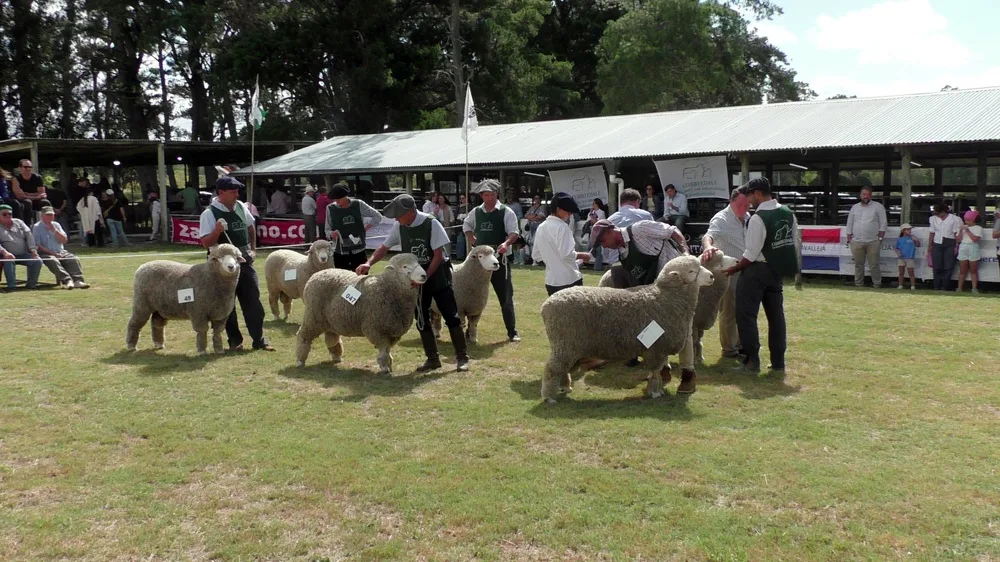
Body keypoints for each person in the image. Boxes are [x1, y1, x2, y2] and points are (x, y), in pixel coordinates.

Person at [357, 194, 469, 372]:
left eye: (398, 215)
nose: (396, 219)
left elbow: (438, 255)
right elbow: (384, 247)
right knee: (422, 318)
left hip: (438, 274)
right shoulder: (399, 225)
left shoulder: (431, 223)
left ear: (410, 212)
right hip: (415, 279)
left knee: (451, 316)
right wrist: (369, 263)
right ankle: (432, 359)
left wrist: (425, 277)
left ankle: (462, 358)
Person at [724, 178, 802, 374]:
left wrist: (734, 268)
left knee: (746, 315)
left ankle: (752, 361)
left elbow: (751, 252)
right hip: (776, 270)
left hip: (756, 271)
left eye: (750, 196)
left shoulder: (758, 218)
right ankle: (778, 362)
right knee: (776, 317)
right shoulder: (787, 213)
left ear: (757, 193)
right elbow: (794, 242)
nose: (749, 201)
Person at [199, 176, 274, 352]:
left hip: (244, 261)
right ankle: (234, 341)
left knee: (253, 301)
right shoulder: (209, 213)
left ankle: (259, 339)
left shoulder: (241, 206)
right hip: (221, 268)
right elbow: (206, 243)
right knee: (227, 304)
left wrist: (254, 248)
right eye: (233, 191)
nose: (236, 194)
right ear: (221, 192)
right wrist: (217, 231)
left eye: (237, 191)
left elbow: (250, 227)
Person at [463, 178, 522, 342]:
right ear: (481, 195)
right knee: (473, 295)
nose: (488, 198)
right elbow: (466, 226)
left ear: (496, 194)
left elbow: (514, 232)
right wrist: (473, 240)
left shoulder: (506, 211)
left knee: (506, 295)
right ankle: (470, 329)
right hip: (479, 262)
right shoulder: (475, 212)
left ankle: (512, 331)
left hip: (499, 260)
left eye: (491, 194)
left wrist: (506, 243)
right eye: (485, 195)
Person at [701, 187, 752, 359]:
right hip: (729, 271)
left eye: (747, 204)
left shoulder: (748, 218)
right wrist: (708, 247)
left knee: (743, 309)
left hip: (745, 268)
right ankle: (729, 349)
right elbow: (709, 235)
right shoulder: (721, 218)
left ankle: (739, 344)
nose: (744, 207)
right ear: (731, 201)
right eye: (741, 204)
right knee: (729, 310)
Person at [589, 218, 688, 289]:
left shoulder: (639, 229)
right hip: (663, 289)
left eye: (603, 241)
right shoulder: (622, 255)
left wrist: (685, 253)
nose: (604, 246)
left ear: (609, 231)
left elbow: (672, 231)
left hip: (682, 278)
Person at [532, 193, 592, 295]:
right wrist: (583, 255)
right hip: (569, 280)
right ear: (559, 209)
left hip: (551, 281)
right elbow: (566, 255)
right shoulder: (562, 227)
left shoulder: (541, 227)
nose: (570, 215)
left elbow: (536, 255)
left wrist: (552, 259)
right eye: (568, 212)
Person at [325, 181, 384, 271]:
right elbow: (327, 229)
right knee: (342, 280)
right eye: (334, 200)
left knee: (360, 277)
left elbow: (377, 216)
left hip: (358, 250)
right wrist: (331, 234)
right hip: (340, 252)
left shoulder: (358, 204)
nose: (336, 202)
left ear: (345, 196)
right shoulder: (330, 208)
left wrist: (366, 228)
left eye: (338, 199)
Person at [32, 206, 90, 289]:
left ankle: (77, 280)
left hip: (61, 251)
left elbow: (64, 240)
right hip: (45, 253)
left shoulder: (56, 225)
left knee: (74, 259)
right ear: (42, 216)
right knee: (53, 260)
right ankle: (67, 280)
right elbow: (38, 245)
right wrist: (54, 254)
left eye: (52, 215)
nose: (50, 217)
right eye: (48, 215)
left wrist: (54, 231)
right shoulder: (37, 227)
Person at [846, 186, 887, 288]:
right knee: (858, 265)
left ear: (871, 195)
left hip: (873, 241)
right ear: (860, 195)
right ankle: (858, 284)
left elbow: (883, 222)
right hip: (856, 241)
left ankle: (877, 283)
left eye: (868, 194)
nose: (866, 196)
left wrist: (880, 238)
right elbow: (849, 223)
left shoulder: (878, 206)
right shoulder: (854, 207)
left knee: (874, 264)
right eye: (864, 194)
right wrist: (849, 238)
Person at [0, 204, 42, 290]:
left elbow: (29, 235)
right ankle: (12, 286)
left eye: (10, 214)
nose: (8, 216)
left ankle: (31, 285)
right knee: (8, 260)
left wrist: (33, 251)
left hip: (23, 253)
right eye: (4, 214)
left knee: (37, 261)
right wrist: (5, 253)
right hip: (6, 255)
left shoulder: (19, 222)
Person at [927, 202, 961, 291]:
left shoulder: (954, 219)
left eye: (938, 213)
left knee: (948, 266)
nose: (937, 215)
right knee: (937, 266)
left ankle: (945, 286)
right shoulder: (933, 219)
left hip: (950, 242)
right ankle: (936, 286)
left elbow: (956, 233)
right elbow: (932, 233)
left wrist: (956, 246)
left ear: (944, 211)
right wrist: (929, 246)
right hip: (937, 242)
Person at [956, 210, 983, 294]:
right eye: (965, 219)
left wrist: (967, 231)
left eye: (968, 220)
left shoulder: (979, 228)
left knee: (973, 270)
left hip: (973, 247)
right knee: (962, 270)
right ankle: (959, 288)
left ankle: (974, 288)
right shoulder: (962, 228)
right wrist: (960, 231)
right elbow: (958, 239)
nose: (966, 221)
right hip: (963, 247)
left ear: (973, 220)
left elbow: (975, 239)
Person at [894, 223, 919, 291]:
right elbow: (896, 248)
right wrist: (898, 254)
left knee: (911, 273)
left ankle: (913, 286)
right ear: (903, 231)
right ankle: (900, 285)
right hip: (901, 258)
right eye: (907, 230)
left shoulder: (912, 237)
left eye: (910, 229)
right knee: (901, 273)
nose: (909, 231)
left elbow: (918, 245)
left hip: (910, 258)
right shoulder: (899, 239)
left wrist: (916, 240)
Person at [455, 193, 471, 260]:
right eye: (461, 198)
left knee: (468, 242)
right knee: (460, 241)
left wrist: (463, 215)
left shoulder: (470, 206)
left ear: (467, 198)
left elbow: (470, 215)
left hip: (468, 226)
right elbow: (456, 216)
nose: (462, 200)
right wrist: (461, 216)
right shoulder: (458, 207)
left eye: (463, 198)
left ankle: (468, 256)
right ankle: (459, 256)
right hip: (460, 227)